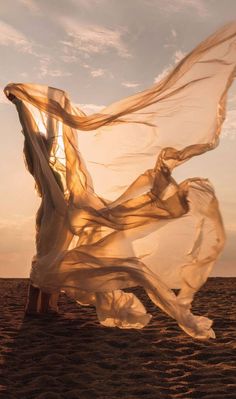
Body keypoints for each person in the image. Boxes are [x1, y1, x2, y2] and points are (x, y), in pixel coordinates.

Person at [4, 22, 236, 338]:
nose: (55, 150)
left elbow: (43, 138)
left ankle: (44, 309)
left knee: (48, 261)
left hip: (54, 216)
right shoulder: (52, 180)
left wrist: (36, 108)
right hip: (52, 217)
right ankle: (38, 309)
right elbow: (35, 138)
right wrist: (23, 105)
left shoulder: (59, 182)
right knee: (47, 261)